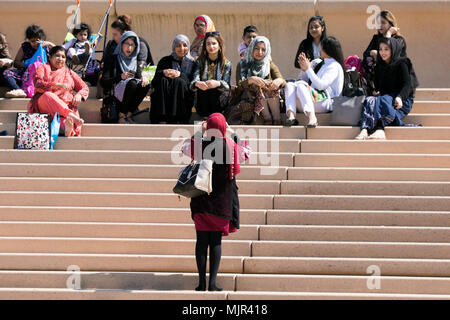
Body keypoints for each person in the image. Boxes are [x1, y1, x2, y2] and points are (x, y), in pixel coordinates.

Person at [181, 113, 249, 291]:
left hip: (201, 201)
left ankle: (201, 283)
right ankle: (212, 283)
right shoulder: (230, 144)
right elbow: (246, 153)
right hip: (221, 202)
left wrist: (200, 131)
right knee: (216, 242)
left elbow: (184, 148)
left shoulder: (200, 144)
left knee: (201, 241)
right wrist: (231, 131)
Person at [355, 37, 418, 140]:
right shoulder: (380, 65)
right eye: (380, 49)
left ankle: (380, 129)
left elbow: (407, 84)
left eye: (386, 49)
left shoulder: (402, 62)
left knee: (383, 100)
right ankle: (365, 129)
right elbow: (379, 87)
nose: (382, 52)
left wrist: (400, 97)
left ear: (393, 49)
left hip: (401, 101)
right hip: (386, 100)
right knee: (370, 100)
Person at [28, 46, 89, 137]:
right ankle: (70, 116)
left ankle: (68, 130)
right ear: (50, 57)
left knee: (66, 120)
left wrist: (79, 95)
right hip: (45, 104)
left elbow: (84, 87)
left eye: (63, 57)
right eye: (57, 56)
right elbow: (38, 84)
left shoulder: (69, 72)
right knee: (48, 95)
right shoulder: (42, 68)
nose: (60, 59)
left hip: (64, 106)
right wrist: (57, 85)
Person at [285, 36, 345, 127]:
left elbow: (321, 86)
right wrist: (304, 69)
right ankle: (291, 116)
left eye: (322, 47)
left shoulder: (334, 66)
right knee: (290, 84)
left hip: (325, 102)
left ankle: (312, 118)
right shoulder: (319, 63)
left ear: (327, 49)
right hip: (311, 100)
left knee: (301, 85)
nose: (320, 50)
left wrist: (308, 69)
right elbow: (301, 80)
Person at [101, 31, 151, 124]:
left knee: (145, 85)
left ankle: (128, 114)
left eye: (132, 45)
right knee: (132, 83)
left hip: (130, 95)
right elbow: (104, 82)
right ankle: (121, 115)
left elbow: (141, 79)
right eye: (127, 44)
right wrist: (120, 77)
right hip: (116, 96)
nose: (130, 48)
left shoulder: (136, 61)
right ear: (121, 44)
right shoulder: (112, 59)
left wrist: (144, 77)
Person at [235, 36, 286, 125]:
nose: (260, 52)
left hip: (269, 100)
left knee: (269, 84)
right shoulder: (242, 64)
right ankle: (267, 118)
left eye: (263, 49)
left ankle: (277, 118)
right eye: (256, 48)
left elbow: (282, 80)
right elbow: (239, 86)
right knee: (257, 86)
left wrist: (278, 81)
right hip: (249, 99)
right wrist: (250, 80)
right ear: (251, 48)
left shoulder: (268, 63)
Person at [150, 34, 196, 124]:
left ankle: (179, 118)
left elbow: (193, 83)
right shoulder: (165, 61)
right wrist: (163, 72)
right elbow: (154, 82)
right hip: (165, 99)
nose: (181, 48)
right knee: (162, 80)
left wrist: (180, 75)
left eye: (185, 45)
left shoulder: (193, 63)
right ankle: (161, 118)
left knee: (179, 81)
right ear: (174, 47)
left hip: (183, 100)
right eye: (178, 45)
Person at [3, 25, 55, 98]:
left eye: (37, 40)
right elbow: (16, 63)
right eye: (32, 41)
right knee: (6, 73)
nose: (35, 43)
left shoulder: (46, 46)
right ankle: (19, 91)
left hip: (43, 75)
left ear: (41, 38)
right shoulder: (25, 46)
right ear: (28, 40)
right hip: (26, 75)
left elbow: (59, 53)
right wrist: (29, 65)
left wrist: (50, 44)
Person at [362, 10, 407, 95]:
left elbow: (389, 57)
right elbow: (366, 54)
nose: (380, 25)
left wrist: (389, 34)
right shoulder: (376, 38)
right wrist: (373, 52)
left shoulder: (399, 40)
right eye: (378, 23)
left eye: (383, 22)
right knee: (367, 60)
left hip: (394, 76)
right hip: (379, 75)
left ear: (391, 24)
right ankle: (374, 89)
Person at [190, 32, 231, 118]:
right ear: (205, 46)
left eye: (214, 43)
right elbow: (193, 82)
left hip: (219, 98)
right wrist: (198, 83)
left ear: (219, 45)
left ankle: (216, 117)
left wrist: (218, 83)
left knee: (215, 88)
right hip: (203, 97)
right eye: (208, 44)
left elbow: (227, 86)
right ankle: (204, 117)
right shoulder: (199, 62)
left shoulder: (226, 63)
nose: (211, 46)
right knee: (203, 88)